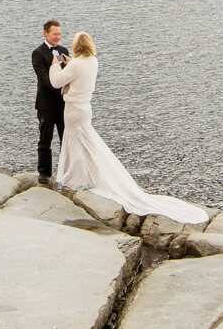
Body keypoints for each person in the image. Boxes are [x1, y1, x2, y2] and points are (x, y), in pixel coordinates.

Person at [47, 32, 208, 224]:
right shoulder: (92, 61)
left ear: (76, 46)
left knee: (75, 142)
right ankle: (84, 176)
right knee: (85, 142)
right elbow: (80, 72)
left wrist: (55, 66)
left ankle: (80, 179)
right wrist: (71, 63)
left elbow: (56, 81)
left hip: (73, 110)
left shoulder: (76, 64)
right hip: (86, 108)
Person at [31, 19, 70, 183]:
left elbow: (70, 75)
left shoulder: (63, 50)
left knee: (66, 138)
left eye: (59, 34)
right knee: (45, 138)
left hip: (62, 103)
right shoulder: (38, 53)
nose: (58, 37)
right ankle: (44, 173)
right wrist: (56, 70)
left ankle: (66, 172)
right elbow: (45, 80)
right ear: (45, 33)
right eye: (55, 34)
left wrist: (69, 65)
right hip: (46, 103)